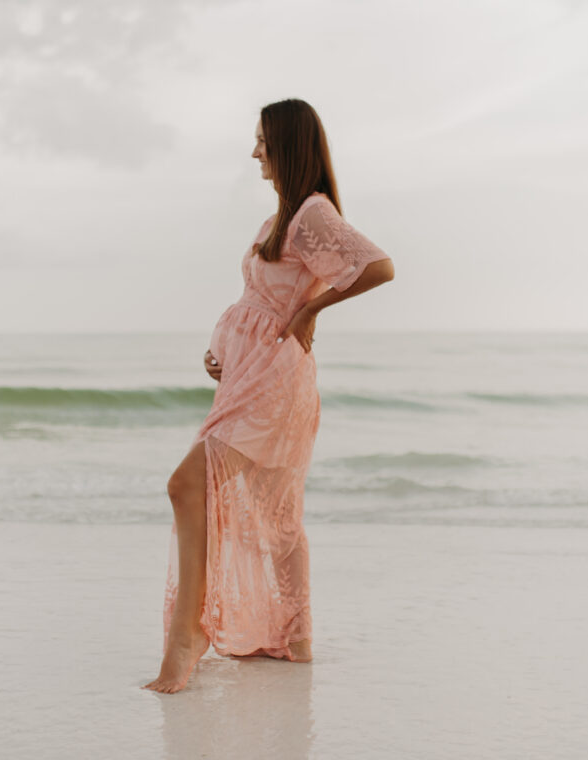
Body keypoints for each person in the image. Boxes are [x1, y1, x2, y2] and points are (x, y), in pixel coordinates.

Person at [142, 98, 395, 694]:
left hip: (276, 382)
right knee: (276, 514)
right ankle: (294, 641)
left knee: (188, 485)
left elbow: (378, 267)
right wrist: (225, 353)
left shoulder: (310, 212)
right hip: (253, 375)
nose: (255, 151)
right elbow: (261, 303)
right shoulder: (286, 216)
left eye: (262, 140)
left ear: (287, 143)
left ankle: (188, 636)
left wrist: (312, 308)